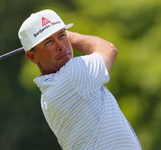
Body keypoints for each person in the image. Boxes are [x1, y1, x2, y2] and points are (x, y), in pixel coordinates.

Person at [18, 9, 142, 150]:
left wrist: (56, 34)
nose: (61, 46)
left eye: (62, 36)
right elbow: (109, 49)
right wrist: (70, 35)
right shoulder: (72, 76)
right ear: (33, 57)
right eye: (49, 42)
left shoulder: (48, 92)